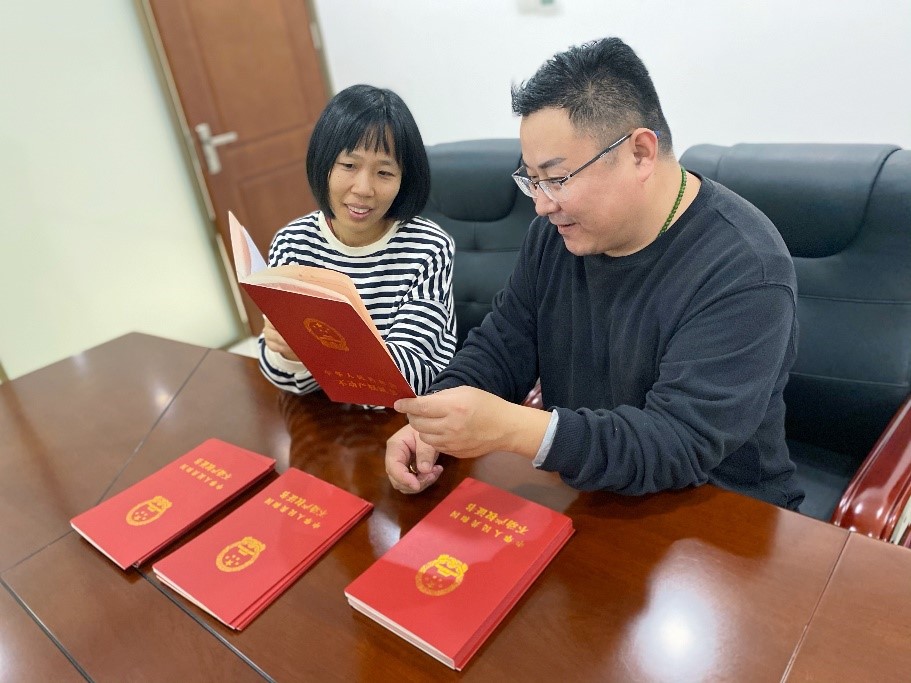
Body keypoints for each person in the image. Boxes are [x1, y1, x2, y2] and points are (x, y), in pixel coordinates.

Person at [385, 37, 804, 510]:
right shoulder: (558, 233)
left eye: (557, 178)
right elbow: (504, 343)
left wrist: (514, 428)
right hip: (591, 489)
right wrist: (434, 419)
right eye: (532, 180)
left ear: (640, 153)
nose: (542, 204)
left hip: (718, 510)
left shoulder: (744, 267)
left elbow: (676, 443)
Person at [259, 84, 457, 399]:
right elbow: (285, 379)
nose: (364, 189)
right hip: (323, 416)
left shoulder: (428, 247)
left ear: (404, 179)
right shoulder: (292, 243)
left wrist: (316, 350)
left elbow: (413, 375)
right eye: (349, 166)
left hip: (400, 417)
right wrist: (289, 354)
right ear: (323, 163)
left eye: (384, 172)